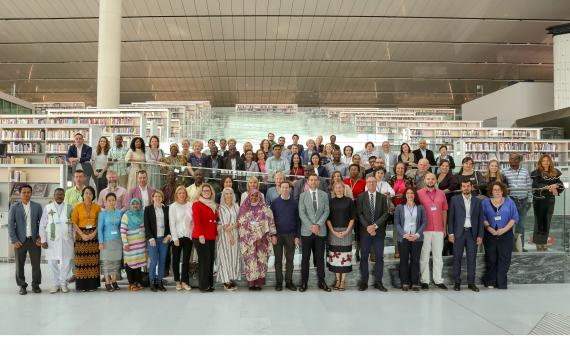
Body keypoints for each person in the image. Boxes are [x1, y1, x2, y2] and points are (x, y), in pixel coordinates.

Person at [448, 179, 484, 292]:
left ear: (471, 187)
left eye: (468, 186)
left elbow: (480, 219)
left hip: (472, 233)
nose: (466, 188)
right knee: (457, 258)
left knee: (472, 259)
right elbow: (451, 218)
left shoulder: (477, 201)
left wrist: (480, 235)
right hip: (459, 233)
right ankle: (457, 283)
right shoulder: (455, 200)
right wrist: (451, 233)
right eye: (464, 186)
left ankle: (471, 283)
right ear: (461, 188)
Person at [482, 182, 519, 289]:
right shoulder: (485, 202)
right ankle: (490, 281)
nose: (497, 192)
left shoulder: (509, 202)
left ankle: (501, 282)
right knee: (491, 258)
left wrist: (503, 230)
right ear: (491, 191)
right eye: (495, 190)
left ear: (503, 191)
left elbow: (514, 218)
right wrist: (489, 228)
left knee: (504, 258)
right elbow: (482, 217)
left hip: (506, 234)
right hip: (490, 234)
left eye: (499, 190)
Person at [237, 189, 276, 291]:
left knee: (261, 261)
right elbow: (242, 224)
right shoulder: (243, 208)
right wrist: (254, 236)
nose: (254, 197)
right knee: (251, 262)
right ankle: (251, 283)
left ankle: (259, 283)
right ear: (248, 196)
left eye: (256, 195)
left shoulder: (265, 208)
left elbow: (270, 222)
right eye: (252, 195)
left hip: (262, 240)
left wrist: (263, 236)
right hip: (249, 241)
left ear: (259, 196)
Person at [298, 174, 331, 292]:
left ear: (318, 182)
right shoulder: (302, 196)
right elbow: (302, 213)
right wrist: (311, 226)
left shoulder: (324, 195)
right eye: (311, 180)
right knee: (305, 258)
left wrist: (318, 225)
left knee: (320, 258)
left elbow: (327, 211)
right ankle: (303, 283)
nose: (313, 181)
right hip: (307, 232)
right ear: (307, 182)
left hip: (320, 231)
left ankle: (322, 282)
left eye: (315, 180)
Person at [9, 184, 43, 295]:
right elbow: (11, 225)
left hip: (34, 241)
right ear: (19, 193)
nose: (26, 194)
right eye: (24, 192)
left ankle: (36, 285)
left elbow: (42, 224)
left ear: (31, 193)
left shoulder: (37, 206)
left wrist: (39, 237)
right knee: (19, 265)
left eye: (28, 192)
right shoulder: (14, 207)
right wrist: (14, 240)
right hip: (20, 241)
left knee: (36, 265)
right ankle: (22, 286)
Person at [356, 176, 389, 292]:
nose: (371, 184)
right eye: (369, 182)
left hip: (378, 232)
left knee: (379, 257)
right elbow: (359, 214)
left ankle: (378, 282)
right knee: (364, 257)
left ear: (376, 184)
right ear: (366, 184)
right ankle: (364, 281)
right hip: (365, 232)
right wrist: (368, 227)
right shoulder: (360, 197)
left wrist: (375, 226)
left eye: (373, 182)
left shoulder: (383, 197)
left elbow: (386, 214)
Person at [417, 173, 448, 290]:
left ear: (436, 180)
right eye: (428, 179)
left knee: (438, 256)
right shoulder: (419, 194)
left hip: (439, 229)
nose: (430, 181)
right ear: (424, 180)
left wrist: (445, 228)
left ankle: (438, 280)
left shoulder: (441, 194)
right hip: (424, 229)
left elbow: (444, 211)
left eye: (432, 179)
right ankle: (425, 280)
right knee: (424, 255)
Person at [39, 188, 74, 294]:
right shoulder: (48, 207)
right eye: (57, 194)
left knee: (67, 261)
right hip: (52, 240)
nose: (59, 196)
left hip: (67, 239)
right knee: (51, 261)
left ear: (64, 196)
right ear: (54, 196)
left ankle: (63, 283)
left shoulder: (69, 207)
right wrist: (43, 239)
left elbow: (73, 225)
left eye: (61, 194)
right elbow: (42, 224)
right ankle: (55, 283)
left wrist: (76, 240)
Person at [394, 187, 426, 291]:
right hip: (403, 238)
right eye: (408, 193)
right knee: (403, 260)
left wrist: (416, 235)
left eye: (412, 193)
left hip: (417, 238)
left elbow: (423, 222)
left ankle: (415, 282)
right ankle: (405, 282)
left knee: (415, 260)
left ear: (415, 195)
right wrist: (404, 234)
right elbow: (397, 223)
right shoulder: (399, 207)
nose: (410, 195)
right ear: (405, 195)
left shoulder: (420, 207)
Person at [270, 181, 300, 291]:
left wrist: (297, 236)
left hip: (291, 235)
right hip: (277, 235)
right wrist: (273, 234)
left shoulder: (295, 203)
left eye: (287, 187)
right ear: (280, 189)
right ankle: (279, 282)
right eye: (283, 187)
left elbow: (298, 220)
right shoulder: (275, 203)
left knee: (290, 259)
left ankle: (289, 282)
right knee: (278, 260)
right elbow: (271, 220)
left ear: (290, 189)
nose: (285, 189)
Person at [326, 180, 356, 291]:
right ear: (334, 189)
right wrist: (333, 231)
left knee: (345, 257)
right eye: (336, 187)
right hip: (333, 232)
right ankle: (337, 280)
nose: (338, 189)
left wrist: (347, 231)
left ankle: (343, 281)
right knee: (335, 257)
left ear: (344, 189)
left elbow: (352, 218)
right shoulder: (330, 201)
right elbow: (327, 219)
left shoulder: (349, 201)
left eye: (340, 187)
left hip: (346, 231)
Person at [531, 154, 564, 251]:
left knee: (547, 221)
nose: (546, 162)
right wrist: (550, 186)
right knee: (539, 221)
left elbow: (560, 184)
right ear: (540, 162)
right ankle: (538, 243)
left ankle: (544, 242)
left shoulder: (555, 172)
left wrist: (556, 185)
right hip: (539, 200)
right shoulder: (536, 173)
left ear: (550, 162)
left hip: (550, 201)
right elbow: (536, 185)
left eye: (548, 160)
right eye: (544, 161)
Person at [71, 186, 102, 292]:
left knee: (93, 261)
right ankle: (82, 285)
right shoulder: (77, 207)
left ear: (93, 196)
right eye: (86, 193)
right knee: (81, 261)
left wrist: (94, 233)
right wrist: (82, 234)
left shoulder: (97, 207)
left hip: (93, 236)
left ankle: (92, 285)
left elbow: (100, 222)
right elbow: (74, 222)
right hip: (81, 236)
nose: (88, 195)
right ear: (83, 195)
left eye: (90, 193)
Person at [503, 153, 532, 252]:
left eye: (515, 159)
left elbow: (529, 187)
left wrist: (530, 200)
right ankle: (510, 246)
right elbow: (503, 188)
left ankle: (520, 246)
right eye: (511, 158)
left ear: (519, 160)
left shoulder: (525, 172)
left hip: (523, 201)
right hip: (511, 201)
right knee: (509, 224)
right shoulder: (504, 172)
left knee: (521, 224)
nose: (512, 160)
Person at [192, 183, 218, 292]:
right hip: (201, 237)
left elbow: (215, 221)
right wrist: (200, 235)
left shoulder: (213, 204)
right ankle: (203, 286)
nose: (206, 192)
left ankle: (209, 284)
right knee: (204, 261)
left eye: (208, 191)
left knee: (210, 261)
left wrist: (216, 234)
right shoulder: (197, 204)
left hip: (211, 236)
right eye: (204, 191)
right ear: (201, 193)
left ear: (211, 192)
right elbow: (197, 221)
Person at [144, 190, 171, 292]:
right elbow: (147, 225)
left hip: (164, 239)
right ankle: (152, 282)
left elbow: (170, 224)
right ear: (152, 198)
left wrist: (168, 236)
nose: (158, 198)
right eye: (156, 196)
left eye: (160, 196)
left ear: (162, 198)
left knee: (162, 261)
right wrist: (150, 238)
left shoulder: (167, 209)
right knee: (154, 261)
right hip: (153, 240)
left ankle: (160, 282)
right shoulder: (148, 209)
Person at [169, 185, 194, 291]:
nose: (182, 195)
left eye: (183, 193)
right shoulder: (173, 206)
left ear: (186, 194)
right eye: (180, 193)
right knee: (175, 260)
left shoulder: (190, 205)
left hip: (188, 236)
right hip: (177, 237)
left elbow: (193, 222)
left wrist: (192, 234)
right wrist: (175, 238)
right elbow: (172, 223)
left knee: (186, 260)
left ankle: (184, 281)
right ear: (176, 195)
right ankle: (177, 281)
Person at [97, 192, 123, 292]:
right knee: (107, 261)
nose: (111, 202)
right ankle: (107, 282)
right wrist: (101, 242)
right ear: (106, 202)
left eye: (113, 200)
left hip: (117, 240)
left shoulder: (119, 213)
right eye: (109, 200)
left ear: (116, 201)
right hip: (106, 241)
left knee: (116, 261)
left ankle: (114, 281)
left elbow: (121, 227)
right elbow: (100, 229)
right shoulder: (102, 214)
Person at [216, 187, 241, 291]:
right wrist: (230, 236)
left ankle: (232, 278)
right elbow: (224, 225)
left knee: (234, 257)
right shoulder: (221, 208)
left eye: (230, 193)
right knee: (225, 257)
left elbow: (239, 221)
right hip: (225, 235)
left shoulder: (236, 206)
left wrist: (234, 226)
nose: (229, 195)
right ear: (223, 196)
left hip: (236, 233)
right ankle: (226, 280)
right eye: (226, 194)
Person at [120, 198, 146, 291]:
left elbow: (144, 228)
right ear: (130, 205)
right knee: (130, 263)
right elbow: (122, 230)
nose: (135, 205)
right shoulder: (126, 215)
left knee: (138, 263)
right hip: (130, 244)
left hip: (140, 244)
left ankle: (137, 281)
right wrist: (125, 243)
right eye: (133, 204)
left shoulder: (142, 214)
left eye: (137, 204)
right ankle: (131, 283)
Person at [345, 164, 366, 261]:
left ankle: (358, 251)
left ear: (358, 171)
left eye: (355, 170)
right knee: (347, 230)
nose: (353, 171)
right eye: (351, 169)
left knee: (358, 232)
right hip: (347, 209)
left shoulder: (363, 182)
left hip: (359, 209)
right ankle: (346, 251)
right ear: (349, 171)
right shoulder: (345, 182)